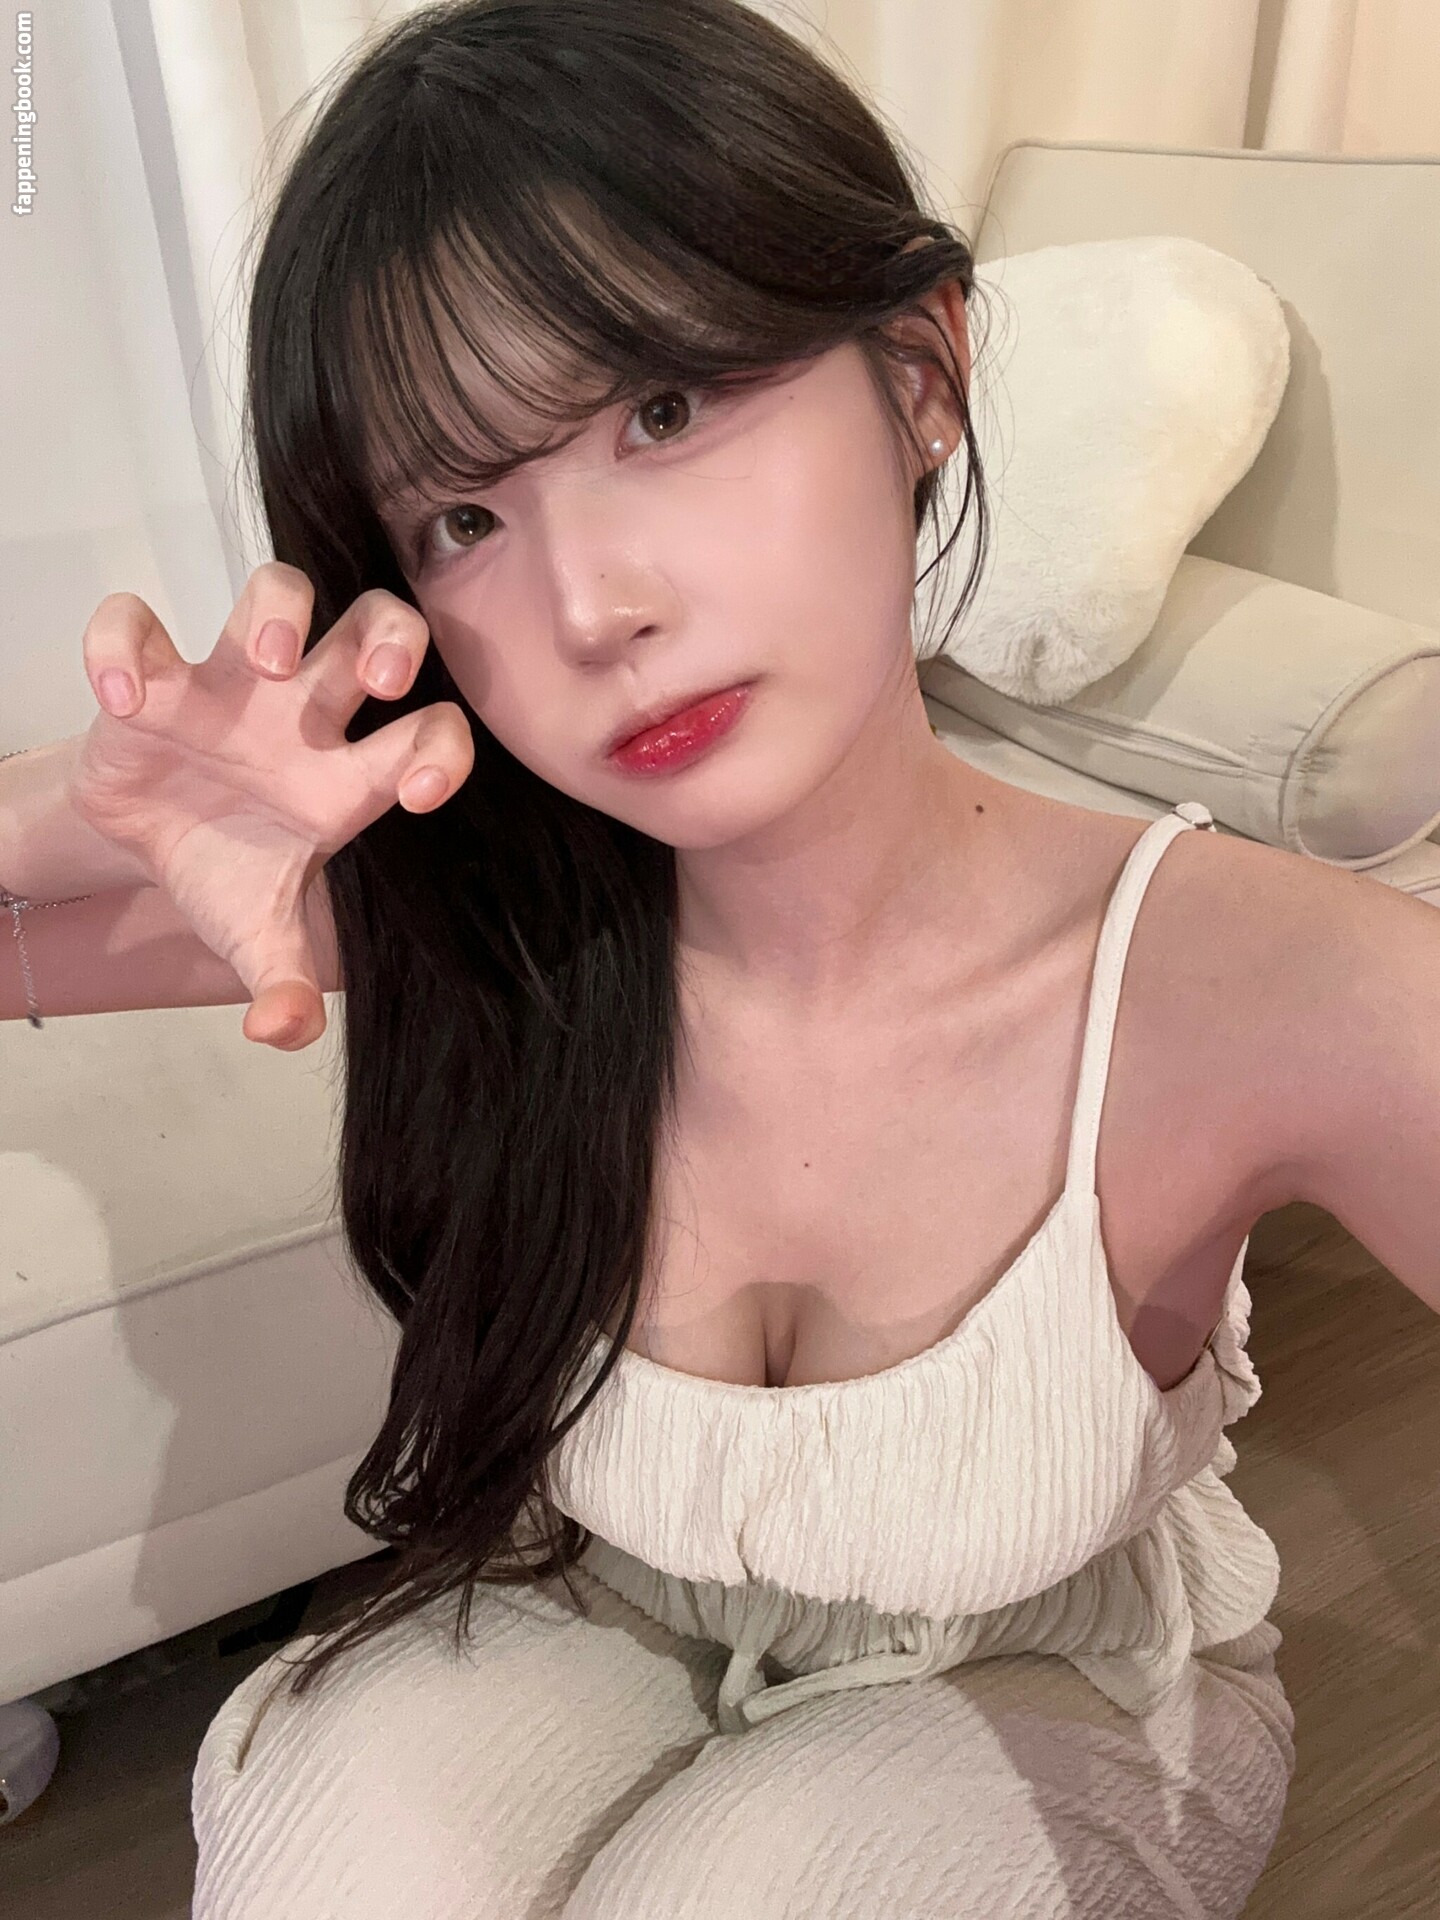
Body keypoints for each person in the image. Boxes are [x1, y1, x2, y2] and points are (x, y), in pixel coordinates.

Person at [20, 0, 1425, 1910]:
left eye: (662, 413)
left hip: (1055, 1682)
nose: (592, 607)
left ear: (919, 376)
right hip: (598, 1611)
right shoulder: (504, 906)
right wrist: (90, 801)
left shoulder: (1253, 981)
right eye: (463, 515)